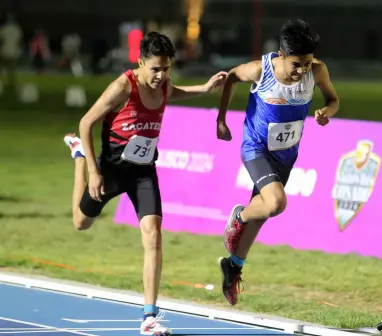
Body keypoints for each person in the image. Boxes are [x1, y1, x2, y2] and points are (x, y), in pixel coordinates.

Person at [63, 31, 226, 335]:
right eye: (155, 69)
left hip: (143, 172)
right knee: (80, 222)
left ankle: (149, 317)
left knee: (153, 235)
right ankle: (79, 159)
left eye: (166, 69)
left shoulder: (163, 84)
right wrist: (94, 172)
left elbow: (174, 91)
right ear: (140, 63)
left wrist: (204, 88)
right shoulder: (122, 87)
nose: (161, 76)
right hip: (111, 170)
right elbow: (86, 122)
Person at [215, 18, 339, 306]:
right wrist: (221, 119)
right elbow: (231, 77)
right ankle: (238, 218)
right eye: (297, 64)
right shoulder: (261, 69)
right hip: (256, 148)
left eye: (307, 63)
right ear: (281, 56)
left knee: (263, 214)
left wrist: (326, 112)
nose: (302, 71)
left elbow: (333, 99)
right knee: (275, 203)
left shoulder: (317, 71)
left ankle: (232, 267)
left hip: (286, 154)